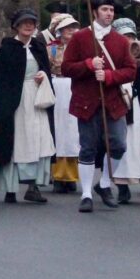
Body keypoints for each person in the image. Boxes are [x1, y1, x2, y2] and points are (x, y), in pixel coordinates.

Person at [61, 0, 137, 213]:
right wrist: (87, 64)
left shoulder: (121, 41)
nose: (109, 14)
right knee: (88, 147)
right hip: (87, 101)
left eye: (111, 10)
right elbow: (66, 68)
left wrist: (110, 77)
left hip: (113, 102)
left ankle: (104, 184)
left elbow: (131, 71)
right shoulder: (80, 38)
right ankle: (86, 194)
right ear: (95, 12)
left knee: (119, 144)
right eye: (105, 10)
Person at [0, 8, 55, 204]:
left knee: (39, 140)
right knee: (16, 142)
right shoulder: (7, 50)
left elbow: (46, 70)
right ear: (16, 26)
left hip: (37, 99)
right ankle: (10, 189)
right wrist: (4, 105)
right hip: (14, 103)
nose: (28, 26)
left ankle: (33, 186)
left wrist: (43, 76)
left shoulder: (38, 48)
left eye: (32, 22)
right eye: (24, 22)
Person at [104, 17, 140, 204]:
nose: (128, 40)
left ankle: (126, 182)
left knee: (134, 145)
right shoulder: (111, 57)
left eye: (130, 36)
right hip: (117, 104)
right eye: (124, 36)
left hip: (135, 105)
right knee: (119, 143)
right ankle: (119, 185)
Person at [47, 14, 80, 193]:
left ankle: (72, 175)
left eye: (74, 28)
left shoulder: (83, 48)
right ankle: (58, 174)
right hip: (57, 87)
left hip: (76, 87)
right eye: (68, 28)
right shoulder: (51, 49)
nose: (72, 31)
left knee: (73, 132)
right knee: (59, 130)